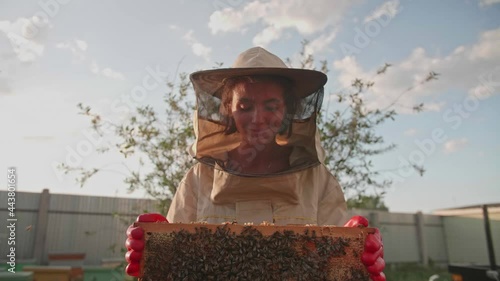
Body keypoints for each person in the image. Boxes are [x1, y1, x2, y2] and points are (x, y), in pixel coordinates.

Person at [125, 47, 386, 280]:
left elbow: (342, 262)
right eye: (245, 106)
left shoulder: (318, 179)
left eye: (271, 106)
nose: (258, 118)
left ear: (287, 110)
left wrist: (363, 256)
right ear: (228, 108)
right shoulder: (198, 177)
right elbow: (170, 261)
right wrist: (154, 248)